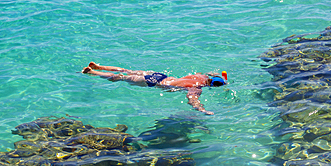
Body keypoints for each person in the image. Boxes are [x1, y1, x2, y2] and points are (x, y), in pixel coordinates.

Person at [82, 62, 227, 115]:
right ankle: (93, 72)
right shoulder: (198, 88)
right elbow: (192, 100)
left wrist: (217, 74)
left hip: (160, 76)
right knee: (120, 77)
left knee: (125, 71)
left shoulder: (200, 76)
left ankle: (99, 66)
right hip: (156, 83)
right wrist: (203, 110)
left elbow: (211, 73)